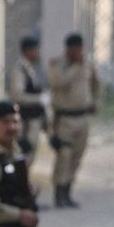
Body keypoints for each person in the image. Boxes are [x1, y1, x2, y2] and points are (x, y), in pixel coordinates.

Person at [46, 32, 99, 208]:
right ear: (68, 49)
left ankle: (68, 191)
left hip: (83, 117)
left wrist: (95, 101)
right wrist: (75, 67)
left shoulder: (88, 64)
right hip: (64, 118)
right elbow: (58, 83)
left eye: (80, 48)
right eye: (74, 49)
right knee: (64, 156)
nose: (78, 52)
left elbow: (97, 83)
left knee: (77, 156)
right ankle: (58, 192)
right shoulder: (57, 64)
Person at [6, 36, 48, 167]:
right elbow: (17, 96)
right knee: (22, 155)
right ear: (27, 51)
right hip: (24, 121)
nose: (38, 53)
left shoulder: (32, 68)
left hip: (34, 119)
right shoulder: (19, 70)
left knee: (30, 155)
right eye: (35, 50)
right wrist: (39, 99)